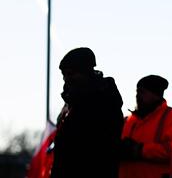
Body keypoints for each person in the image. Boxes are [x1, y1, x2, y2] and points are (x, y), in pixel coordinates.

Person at [51, 47, 124, 178]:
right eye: (64, 75)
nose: (67, 79)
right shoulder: (72, 102)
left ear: (86, 72)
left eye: (71, 74)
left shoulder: (104, 101)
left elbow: (98, 150)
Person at [120, 75, 172, 178]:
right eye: (137, 92)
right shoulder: (128, 121)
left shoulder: (171, 116)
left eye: (143, 92)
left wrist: (139, 150)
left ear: (156, 95)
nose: (138, 96)